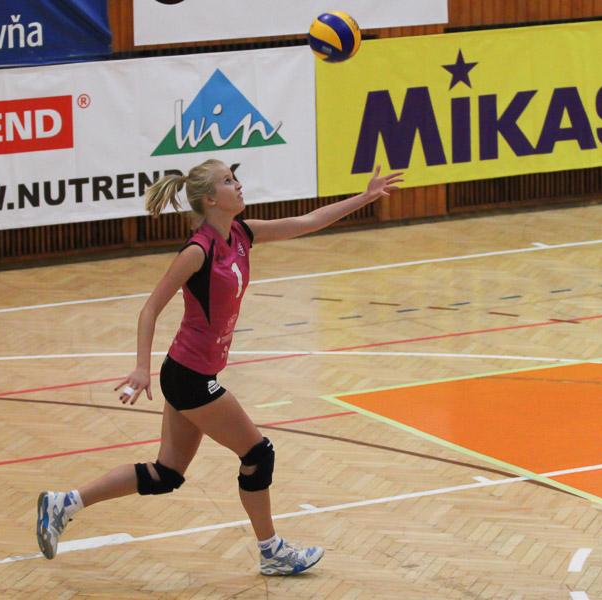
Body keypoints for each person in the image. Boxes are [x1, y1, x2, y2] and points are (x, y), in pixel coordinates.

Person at [36, 158, 404, 576]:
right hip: (189, 377)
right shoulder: (198, 251)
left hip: (192, 374)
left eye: (235, 178)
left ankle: (64, 503)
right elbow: (149, 309)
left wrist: (365, 197)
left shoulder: (243, 234)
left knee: (166, 474)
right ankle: (271, 551)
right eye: (229, 181)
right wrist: (140, 367)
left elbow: (308, 221)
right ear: (210, 199)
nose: (239, 185)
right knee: (258, 454)